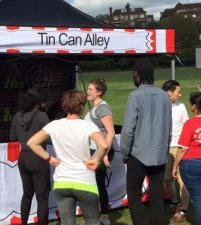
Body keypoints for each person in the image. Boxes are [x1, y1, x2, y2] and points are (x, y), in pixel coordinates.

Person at [27, 90, 109, 225]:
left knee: (67, 222)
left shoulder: (54, 125)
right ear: (81, 106)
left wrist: (49, 158)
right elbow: (104, 145)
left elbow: (32, 142)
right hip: (84, 181)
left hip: (62, 181)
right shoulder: (87, 125)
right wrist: (96, 159)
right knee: (92, 221)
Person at [120, 59, 171, 225]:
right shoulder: (164, 96)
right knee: (156, 194)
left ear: (137, 75)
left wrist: (125, 152)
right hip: (159, 152)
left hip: (138, 153)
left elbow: (128, 129)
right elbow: (168, 127)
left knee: (134, 193)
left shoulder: (135, 96)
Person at [10, 88, 50, 225]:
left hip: (23, 158)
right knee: (42, 197)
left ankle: (24, 223)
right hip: (39, 158)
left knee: (27, 195)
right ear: (38, 101)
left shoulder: (17, 116)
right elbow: (50, 139)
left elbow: (12, 137)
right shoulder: (42, 116)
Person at [84, 79, 115, 225]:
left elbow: (110, 132)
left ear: (99, 92)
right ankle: (96, 216)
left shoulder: (102, 108)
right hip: (93, 150)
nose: (87, 91)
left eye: (91, 89)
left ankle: (103, 217)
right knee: (93, 184)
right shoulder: (94, 108)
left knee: (98, 184)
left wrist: (105, 154)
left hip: (100, 151)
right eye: (88, 89)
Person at [172, 92, 201, 225]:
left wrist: (175, 165)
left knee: (200, 201)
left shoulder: (190, 123)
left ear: (194, 107)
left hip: (191, 164)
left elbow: (183, 148)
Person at [162, 80, 190, 223]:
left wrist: (184, 147)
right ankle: (174, 202)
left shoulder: (181, 106)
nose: (180, 94)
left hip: (178, 147)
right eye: (178, 91)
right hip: (163, 148)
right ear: (169, 92)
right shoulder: (159, 106)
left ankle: (184, 210)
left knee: (180, 179)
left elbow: (187, 126)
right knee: (167, 179)